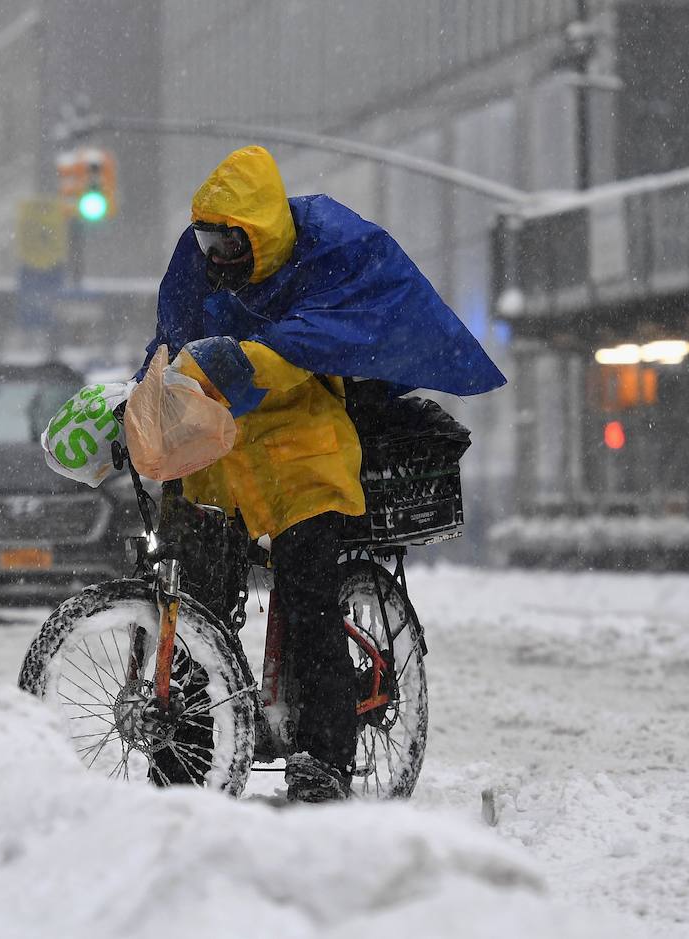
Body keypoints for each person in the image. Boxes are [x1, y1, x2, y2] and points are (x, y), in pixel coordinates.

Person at [138, 145, 505, 802]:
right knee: (194, 594)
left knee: (309, 595)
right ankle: (186, 750)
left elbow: (320, 336)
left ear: (261, 232)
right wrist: (144, 403)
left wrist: (242, 360)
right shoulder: (201, 265)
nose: (215, 256)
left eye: (229, 242)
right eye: (207, 240)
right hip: (225, 447)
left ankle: (325, 757)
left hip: (303, 445)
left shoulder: (331, 247)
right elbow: (169, 346)